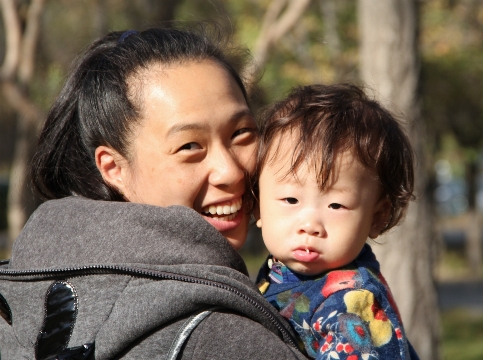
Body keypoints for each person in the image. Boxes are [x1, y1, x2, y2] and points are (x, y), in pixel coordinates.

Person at [0, 25, 306, 359]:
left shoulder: (19, 292)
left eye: (241, 132)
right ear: (114, 167)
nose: (230, 171)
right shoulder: (221, 338)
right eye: (189, 146)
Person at [254, 84, 420, 360]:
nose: (310, 225)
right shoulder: (279, 272)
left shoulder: (352, 306)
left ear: (376, 217)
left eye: (335, 205)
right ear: (257, 205)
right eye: (291, 200)